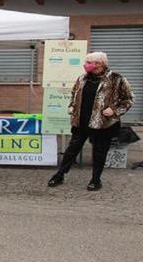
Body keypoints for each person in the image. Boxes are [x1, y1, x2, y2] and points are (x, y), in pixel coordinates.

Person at [48, 52, 133, 191]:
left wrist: (114, 110)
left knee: (99, 151)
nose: (88, 65)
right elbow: (74, 94)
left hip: (103, 123)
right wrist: (71, 106)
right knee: (72, 149)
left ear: (101, 64)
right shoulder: (82, 78)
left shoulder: (117, 79)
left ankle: (95, 179)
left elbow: (128, 99)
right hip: (81, 121)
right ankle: (59, 175)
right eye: (87, 62)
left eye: (92, 62)